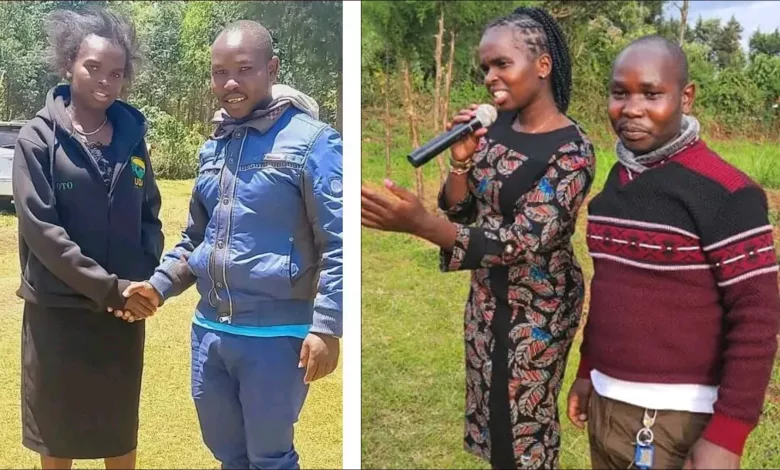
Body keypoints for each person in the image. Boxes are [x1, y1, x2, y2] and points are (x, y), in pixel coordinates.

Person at [361, 7, 596, 469]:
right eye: (485, 67)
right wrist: (462, 159)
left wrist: (419, 224)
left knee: (525, 431)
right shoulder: (494, 129)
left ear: (543, 65)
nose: (489, 76)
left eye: (501, 64)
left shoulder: (572, 150)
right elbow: (462, 209)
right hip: (489, 301)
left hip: (539, 308)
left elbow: (519, 241)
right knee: (494, 422)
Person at [115, 20, 342, 469]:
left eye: (244, 69)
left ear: (271, 69)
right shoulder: (214, 147)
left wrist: (327, 327)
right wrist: (157, 287)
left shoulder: (313, 143)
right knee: (228, 454)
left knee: (269, 457)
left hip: (277, 338)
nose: (230, 83)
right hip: (211, 335)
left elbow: (338, 241)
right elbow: (196, 240)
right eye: (219, 72)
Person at [566, 35, 780, 470]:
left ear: (686, 96)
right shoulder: (618, 181)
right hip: (607, 407)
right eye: (619, 93)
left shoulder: (728, 194)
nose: (631, 108)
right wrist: (590, 371)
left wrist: (727, 436)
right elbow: (609, 291)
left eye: (651, 93)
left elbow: (757, 318)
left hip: (675, 422)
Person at [11, 7, 162, 470]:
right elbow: (43, 232)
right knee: (58, 438)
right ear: (68, 65)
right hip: (60, 316)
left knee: (118, 433)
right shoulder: (38, 139)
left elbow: (150, 218)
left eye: (116, 73)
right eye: (93, 67)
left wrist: (138, 284)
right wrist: (109, 288)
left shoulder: (131, 138)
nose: (105, 81)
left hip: (119, 318)